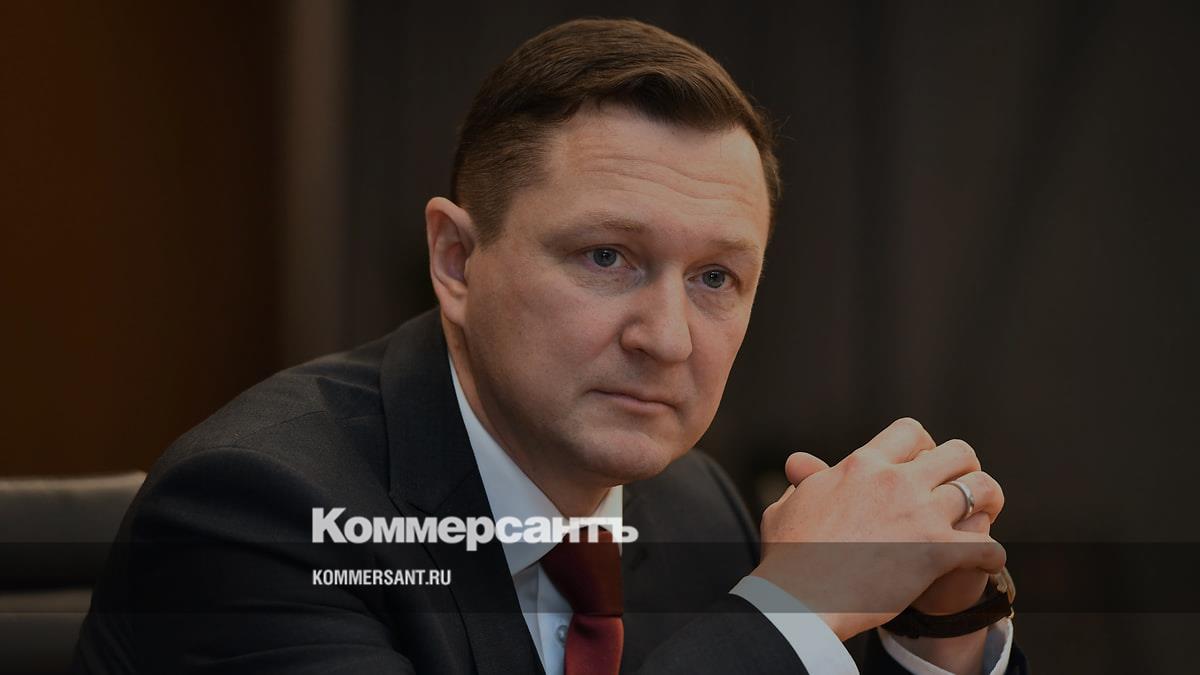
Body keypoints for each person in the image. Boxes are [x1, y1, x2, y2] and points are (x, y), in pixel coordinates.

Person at [74, 18, 1026, 674]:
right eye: (607, 257)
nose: (666, 338)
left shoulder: (689, 505)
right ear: (456, 260)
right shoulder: (262, 513)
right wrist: (793, 609)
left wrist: (938, 632)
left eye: (715, 278)